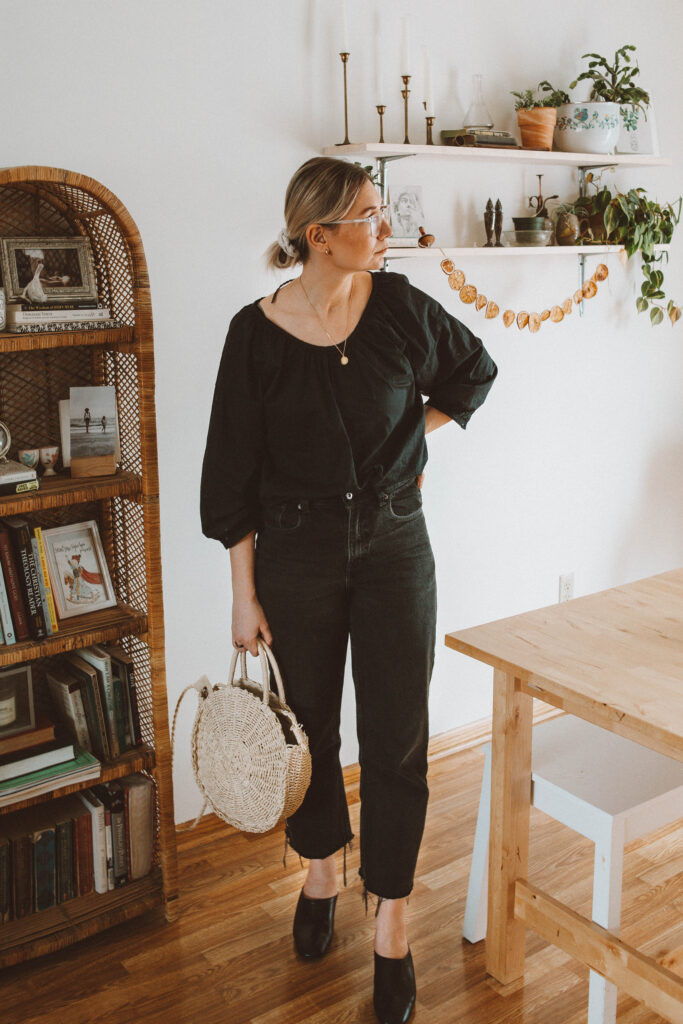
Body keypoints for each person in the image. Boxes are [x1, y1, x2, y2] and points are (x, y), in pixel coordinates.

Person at [200, 156, 497, 1024]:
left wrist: (408, 437)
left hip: (396, 544)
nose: (385, 228)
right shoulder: (252, 335)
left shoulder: (399, 306)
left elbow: (472, 372)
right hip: (292, 555)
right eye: (369, 216)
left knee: (397, 736)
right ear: (317, 234)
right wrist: (241, 594)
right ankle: (323, 868)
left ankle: (393, 922)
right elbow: (231, 477)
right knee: (313, 728)